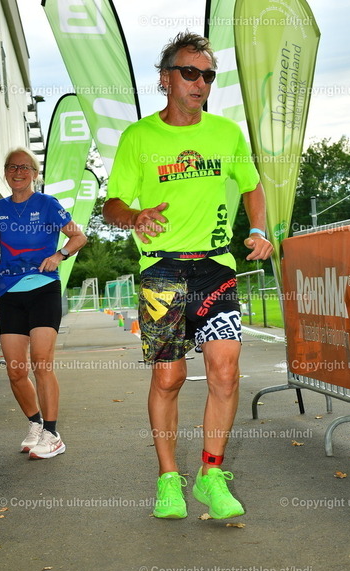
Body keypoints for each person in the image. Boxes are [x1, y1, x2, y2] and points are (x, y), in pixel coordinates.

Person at [103, 32, 273, 519]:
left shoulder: (226, 133)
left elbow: (252, 187)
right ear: (166, 79)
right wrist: (133, 216)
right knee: (169, 377)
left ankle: (211, 474)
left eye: (208, 75)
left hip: (216, 267)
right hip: (162, 271)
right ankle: (168, 479)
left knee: (226, 370)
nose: (200, 83)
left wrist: (258, 229)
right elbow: (112, 204)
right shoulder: (139, 138)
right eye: (190, 72)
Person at [0, 147, 87, 459]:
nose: (18, 172)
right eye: (12, 167)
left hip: (43, 289)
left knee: (41, 362)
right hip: (9, 294)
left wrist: (59, 255)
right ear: (6, 172)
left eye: (24, 167)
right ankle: (36, 424)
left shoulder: (48, 204)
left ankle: (53, 434)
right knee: (15, 370)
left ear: (35, 174)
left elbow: (78, 237)